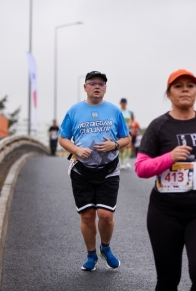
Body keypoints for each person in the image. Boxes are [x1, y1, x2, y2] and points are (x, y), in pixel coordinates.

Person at [135, 69, 196, 291]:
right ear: (169, 94)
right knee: (168, 280)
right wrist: (170, 157)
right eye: (178, 86)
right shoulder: (159, 126)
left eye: (190, 85)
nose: (185, 89)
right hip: (165, 212)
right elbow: (140, 168)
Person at [59, 71, 131, 271]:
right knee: (88, 216)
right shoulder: (74, 111)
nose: (97, 87)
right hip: (81, 171)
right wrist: (76, 150)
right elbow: (63, 138)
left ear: (105, 88)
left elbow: (127, 139)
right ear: (85, 87)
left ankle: (105, 248)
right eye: (92, 83)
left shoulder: (114, 111)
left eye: (101, 84)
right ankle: (91, 255)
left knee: (106, 215)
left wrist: (114, 145)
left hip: (109, 170)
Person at [119, 98, 133, 169]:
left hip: (128, 131)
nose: (123, 104)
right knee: (121, 147)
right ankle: (122, 162)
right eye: (122, 102)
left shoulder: (130, 112)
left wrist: (130, 123)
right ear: (120, 103)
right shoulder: (118, 111)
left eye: (124, 102)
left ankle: (126, 161)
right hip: (120, 131)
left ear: (126, 103)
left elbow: (132, 120)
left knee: (128, 146)